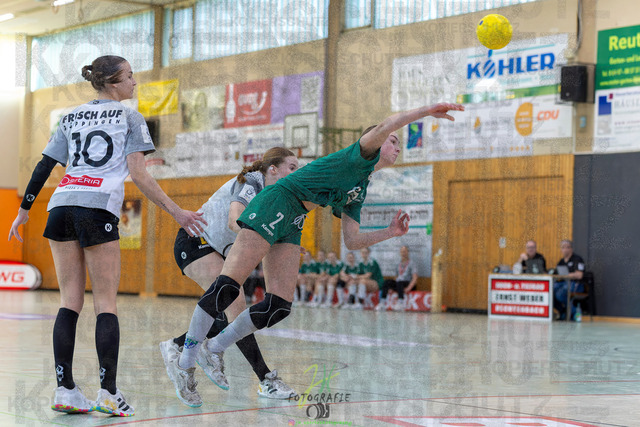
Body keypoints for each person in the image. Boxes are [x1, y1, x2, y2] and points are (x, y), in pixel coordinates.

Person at [164, 102, 464, 406]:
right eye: (393, 140)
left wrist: (389, 232)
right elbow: (387, 123)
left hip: (295, 218)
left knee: (278, 306)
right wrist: (427, 111)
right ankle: (185, 361)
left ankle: (214, 347)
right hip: (279, 200)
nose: (397, 146)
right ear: (375, 140)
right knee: (228, 287)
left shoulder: (359, 187)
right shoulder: (359, 155)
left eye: (398, 142)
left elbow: (352, 241)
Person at [7, 55, 206, 417]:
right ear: (114, 82)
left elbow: (44, 165)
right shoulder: (130, 117)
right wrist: (177, 211)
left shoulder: (70, 116)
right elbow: (140, 175)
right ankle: (109, 393)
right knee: (106, 304)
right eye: (129, 76)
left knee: (69, 301)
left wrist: (24, 210)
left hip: (60, 206)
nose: (134, 82)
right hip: (97, 208)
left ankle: (65, 389)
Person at [159, 147, 299, 406]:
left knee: (230, 315)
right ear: (273, 169)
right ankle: (265, 379)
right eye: (291, 167)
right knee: (233, 303)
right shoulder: (253, 181)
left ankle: (178, 346)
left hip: (216, 249)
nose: (295, 173)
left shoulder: (275, 198)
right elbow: (234, 220)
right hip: (195, 241)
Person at [376, 245, 418, 311]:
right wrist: (391, 288)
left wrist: (408, 288)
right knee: (387, 282)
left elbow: (415, 278)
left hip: (407, 283)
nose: (403, 253)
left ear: (408, 252)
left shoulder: (412, 263)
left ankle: (400, 303)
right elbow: (396, 277)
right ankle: (382, 303)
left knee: (399, 283)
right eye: (402, 252)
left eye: (405, 251)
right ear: (400, 253)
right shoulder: (398, 263)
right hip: (399, 283)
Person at [553, 239, 586, 320]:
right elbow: (556, 274)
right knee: (550, 291)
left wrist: (568, 275)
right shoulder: (561, 262)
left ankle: (574, 311)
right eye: (563, 247)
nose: (565, 249)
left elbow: (580, 275)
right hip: (563, 283)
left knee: (560, 294)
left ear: (571, 248)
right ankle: (563, 312)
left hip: (576, 284)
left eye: (567, 247)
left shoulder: (577, 259)